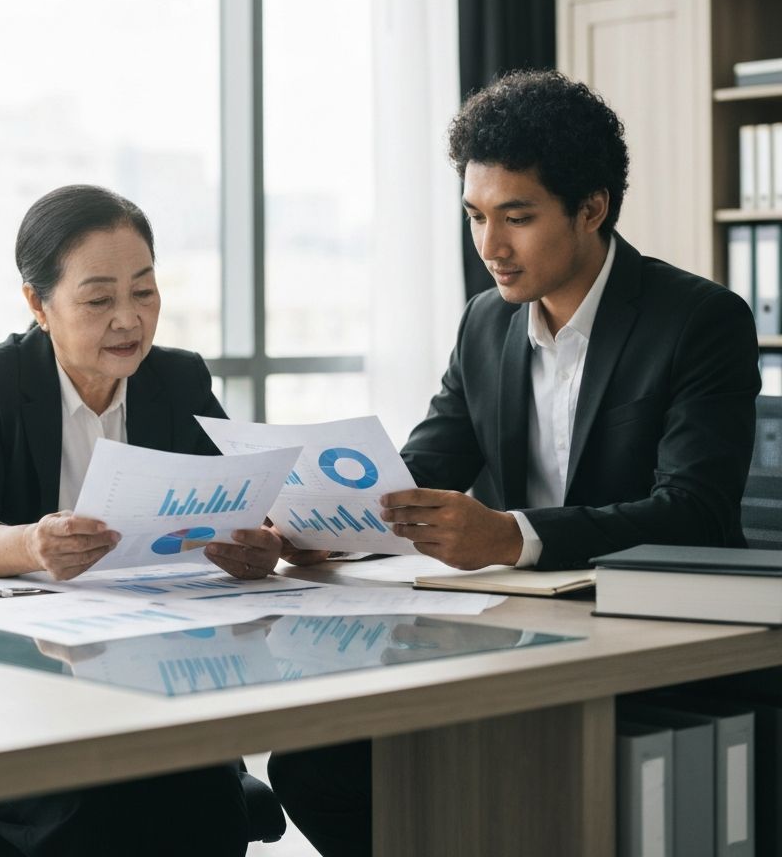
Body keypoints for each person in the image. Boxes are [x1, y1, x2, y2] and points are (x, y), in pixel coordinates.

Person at [268, 69, 761, 857]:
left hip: (653, 635)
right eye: (474, 217)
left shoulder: (699, 321)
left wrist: (510, 537)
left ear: (592, 208)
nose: (490, 248)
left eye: (517, 218)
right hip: (511, 633)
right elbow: (423, 466)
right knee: (318, 765)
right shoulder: (485, 325)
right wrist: (323, 525)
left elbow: (695, 511)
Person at [0, 184, 282, 857]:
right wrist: (33, 543)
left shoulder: (177, 380)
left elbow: (239, 503)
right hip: (24, 684)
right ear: (38, 303)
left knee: (202, 799)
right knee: (94, 804)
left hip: (157, 673)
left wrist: (255, 546)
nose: (129, 320)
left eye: (144, 293)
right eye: (98, 300)